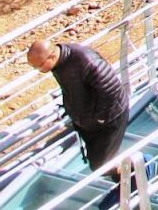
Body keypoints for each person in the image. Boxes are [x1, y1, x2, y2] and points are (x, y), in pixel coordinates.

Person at [26, 40, 129, 190]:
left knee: (100, 164)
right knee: (98, 161)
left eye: (39, 66)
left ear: (52, 56)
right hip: (87, 120)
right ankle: (125, 183)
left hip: (109, 119)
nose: (39, 70)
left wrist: (99, 119)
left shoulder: (85, 60)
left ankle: (136, 170)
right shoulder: (58, 63)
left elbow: (111, 91)